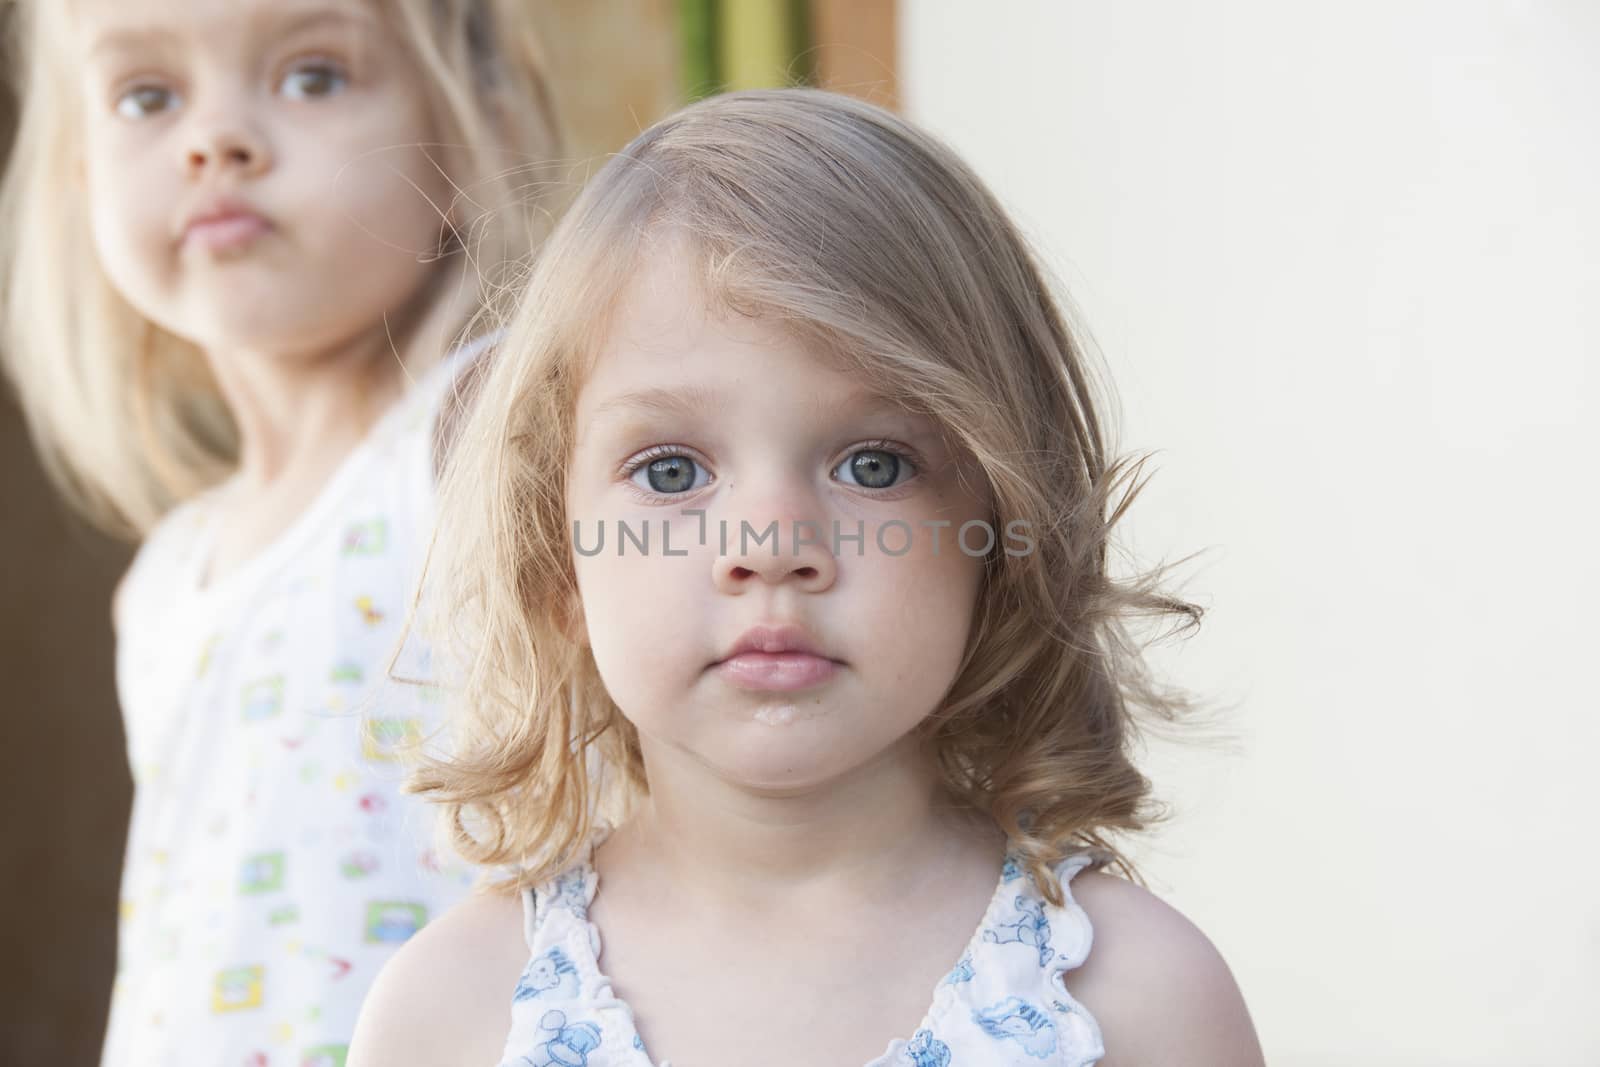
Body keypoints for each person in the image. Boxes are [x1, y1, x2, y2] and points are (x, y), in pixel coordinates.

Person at [349, 88, 1265, 1067]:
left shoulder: (1135, 998)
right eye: (670, 470)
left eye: (873, 463)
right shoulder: (452, 1015)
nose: (772, 543)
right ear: (556, 563)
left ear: (1002, 533)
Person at [0, 0, 561, 1062]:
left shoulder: (479, 439)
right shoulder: (166, 579)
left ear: (473, 121)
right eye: (146, 96)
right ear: (81, 169)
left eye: (312, 76)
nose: (216, 140)